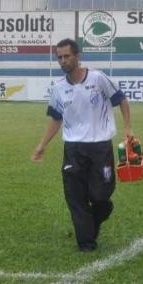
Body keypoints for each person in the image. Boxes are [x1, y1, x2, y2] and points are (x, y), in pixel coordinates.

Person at [31, 38, 133, 252]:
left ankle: (93, 222)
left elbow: (121, 99)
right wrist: (42, 145)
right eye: (59, 57)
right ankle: (86, 243)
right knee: (75, 198)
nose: (63, 60)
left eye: (67, 56)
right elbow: (55, 119)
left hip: (100, 148)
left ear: (77, 57)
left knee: (101, 197)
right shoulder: (58, 88)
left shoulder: (97, 78)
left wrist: (127, 129)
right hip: (73, 150)